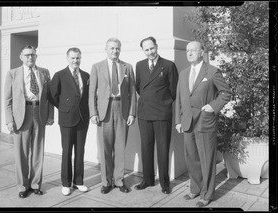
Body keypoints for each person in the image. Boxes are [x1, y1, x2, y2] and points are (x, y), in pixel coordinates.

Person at [175, 41, 231, 207]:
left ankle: (207, 194)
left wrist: (212, 107)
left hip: (205, 121)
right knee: (191, 158)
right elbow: (179, 98)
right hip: (187, 122)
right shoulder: (183, 73)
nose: (189, 53)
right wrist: (178, 120)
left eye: (193, 50)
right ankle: (195, 189)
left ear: (202, 52)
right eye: (187, 51)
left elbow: (225, 93)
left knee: (206, 159)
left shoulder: (212, 71)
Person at [4, 45, 54, 198]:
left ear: (36, 56)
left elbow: (49, 97)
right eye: (26, 55)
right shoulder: (13, 73)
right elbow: (7, 100)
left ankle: (35, 184)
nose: (30, 58)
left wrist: (50, 115)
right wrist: (9, 120)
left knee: (38, 149)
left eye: (32, 55)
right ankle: (23, 186)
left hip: (39, 111)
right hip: (21, 114)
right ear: (21, 57)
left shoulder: (44, 72)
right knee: (22, 151)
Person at [89, 38, 137, 194]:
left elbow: (132, 93)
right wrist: (93, 113)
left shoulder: (127, 67)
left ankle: (119, 180)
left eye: (117, 48)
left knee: (120, 147)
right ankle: (106, 181)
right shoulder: (97, 67)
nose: (115, 51)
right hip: (105, 110)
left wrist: (131, 113)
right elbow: (92, 93)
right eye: (112, 48)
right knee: (105, 148)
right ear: (106, 49)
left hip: (122, 109)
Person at [134, 36, 178, 194]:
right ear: (143, 51)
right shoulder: (139, 65)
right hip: (144, 113)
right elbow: (139, 87)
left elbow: (174, 91)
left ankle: (165, 183)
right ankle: (147, 179)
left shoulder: (168, 65)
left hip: (162, 113)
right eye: (146, 49)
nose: (150, 52)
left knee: (163, 149)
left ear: (157, 46)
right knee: (145, 148)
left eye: (152, 48)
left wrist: (162, 103)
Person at [48, 47, 90, 196]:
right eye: (72, 58)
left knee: (80, 151)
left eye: (78, 58)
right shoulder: (59, 75)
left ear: (81, 58)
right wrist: (64, 107)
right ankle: (66, 183)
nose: (75, 60)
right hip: (66, 119)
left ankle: (78, 181)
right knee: (67, 151)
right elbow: (52, 95)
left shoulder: (86, 76)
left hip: (82, 119)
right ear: (67, 59)